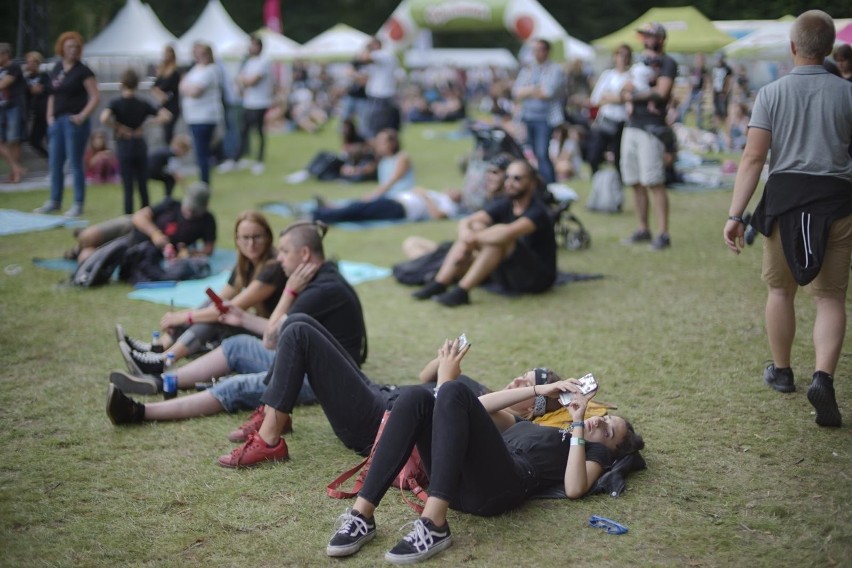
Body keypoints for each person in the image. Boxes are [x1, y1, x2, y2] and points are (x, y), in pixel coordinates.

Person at [324, 339, 644, 564]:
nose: (599, 424)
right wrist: (539, 389)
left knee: (452, 389)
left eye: (609, 431)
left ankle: (434, 525)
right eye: (602, 419)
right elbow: (475, 405)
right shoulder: (541, 429)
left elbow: (575, 489)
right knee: (417, 398)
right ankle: (361, 515)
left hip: (499, 487)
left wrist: (577, 425)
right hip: (460, 478)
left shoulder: (593, 454)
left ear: (611, 451)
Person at [723, 10, 852, 428]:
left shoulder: (771, 94)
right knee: (830, 296)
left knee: (780, 291)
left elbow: (754, 158)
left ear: (793, 47)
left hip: (785, 203)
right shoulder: (848, 94)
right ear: (830, 49)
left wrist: (735, 214)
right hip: (838, 202)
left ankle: (781, 372)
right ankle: (823, 377)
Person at [108, 222, 368, 423]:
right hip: (309, 364)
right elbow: (279, 335)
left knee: (235, 386)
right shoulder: (322, 277)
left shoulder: (320, 290)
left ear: (304, 254)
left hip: (325, 380)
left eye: (285, 252)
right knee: (236, 345)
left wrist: (288, 292)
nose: (280, 258)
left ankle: (138, 412)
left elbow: (270, 338)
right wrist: (240, 317)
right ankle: (158, 380)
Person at [212, 315, 489, 468]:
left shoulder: (496, 414)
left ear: (529, 408)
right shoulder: (485, 391)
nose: (516, 383)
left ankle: (268, 441)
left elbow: (444, 425)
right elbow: (423, 378)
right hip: (382, 393)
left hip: (380, 423)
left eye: (525, 385)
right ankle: (274, 411)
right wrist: (445, 360)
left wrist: (445, 382)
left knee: (298, 334)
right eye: (521, 379)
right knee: (298, 320)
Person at [119, 210, 285, 367]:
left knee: (216, 316)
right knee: (210, 305)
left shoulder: (273, 267)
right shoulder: (246, 263)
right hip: (261, 329)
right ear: (237, 240)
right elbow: (221, 299)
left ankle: (163, 360)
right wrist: (186, 316)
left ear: (268, 237)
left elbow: (233, 308)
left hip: (272, 336)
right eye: (245, 238)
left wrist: (185, 317)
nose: (251, 243)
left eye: (257, 237)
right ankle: (157, 348)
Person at [411, 159, 556, 307]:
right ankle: (440, 282)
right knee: (477, 225)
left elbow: (507, 233)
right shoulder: (506, 202)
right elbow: (467, 221)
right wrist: (466, 235)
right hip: (508, 273)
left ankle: (462, 291)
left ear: (531, 182)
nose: (510, 182)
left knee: (499, 240)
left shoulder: (538, 211)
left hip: (537, 278)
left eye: (517, 178)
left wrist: (472, 238)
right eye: (507, 177)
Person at [619, 22, 677, 251]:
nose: (645, 40)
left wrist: (632, 95)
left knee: (654, 181)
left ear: (660, 38)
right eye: (643, 36)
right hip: (632, 127)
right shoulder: (640, 62)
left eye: (649, 36)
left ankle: (663, 234)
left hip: (651, 128)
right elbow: (624, 89)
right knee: (634, 181)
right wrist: (630, 93)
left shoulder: (668, 63)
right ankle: (643, 229)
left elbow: (662, 92)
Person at [34, 31, 100, 218]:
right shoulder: (57, 68)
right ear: (62, 48)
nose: (73, 50)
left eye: (76, 47)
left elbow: (95, 96)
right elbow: (52, 94)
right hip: (57, 121)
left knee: (75, 163)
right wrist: (49, 117)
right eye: (69, 46)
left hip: (74, 122)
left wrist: (82, 116)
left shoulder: (83, 71)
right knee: (55, 162)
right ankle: (55, 201)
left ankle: (78, 203)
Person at [68, 181, 215, 264]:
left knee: (87, 260)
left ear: (204, 207)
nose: (190, 212)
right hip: (131, 227)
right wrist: (155, 234)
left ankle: (78, 250)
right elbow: (139, 217)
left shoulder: (207, 221)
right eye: (189, 207)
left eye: (195, 210)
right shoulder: (171, 204)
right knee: (88, 236)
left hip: (139, 248)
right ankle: (81, 242)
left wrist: (190, 252)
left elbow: (209, 249)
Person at [400, 153, 511, 260]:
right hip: (458, 249)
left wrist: (425, 197)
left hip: (469, 255)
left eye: (495, 173)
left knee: (476, 227)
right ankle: (429, 269)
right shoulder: (488, 200)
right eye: (488, 172)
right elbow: (466, 222)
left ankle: (432, 271)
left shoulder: (506, 204)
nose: (489, 177)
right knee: (412, 243)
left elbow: (439, 216)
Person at [99, 68, 172, 214]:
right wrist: (146, 124)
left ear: (122, 83)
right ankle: (146, 215)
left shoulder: (116, 102)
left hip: (125, 144)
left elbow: (104, 118)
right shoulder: (142, 103)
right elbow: (166, 115)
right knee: (143, 185)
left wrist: (118, 127)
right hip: (139, 144)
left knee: (128, 186)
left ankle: (128, 218)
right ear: (137, 84)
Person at [512, 39, 565, 185]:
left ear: (547, 51)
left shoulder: (555, 69)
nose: (537, 53)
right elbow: (516, 92)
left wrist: (527, 90)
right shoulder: (528, 69)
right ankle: (542, 184)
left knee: (542, 154)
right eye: (534, 50)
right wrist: (535, 89)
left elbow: (548, 92)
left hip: (545, 119)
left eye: (540, 49)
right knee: (534, 154)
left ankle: (551, 185)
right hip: (527, 116)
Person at [180, 42, 222, 186]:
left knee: (202, 153)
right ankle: (203, 182)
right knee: (200, 153)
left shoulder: (211, 70)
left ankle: (204, 184)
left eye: (203, 53)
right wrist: (188, 87)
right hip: (194, 117)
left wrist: (188, 87)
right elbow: (183, 85)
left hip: (204, 117)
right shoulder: (196, 69)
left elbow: (195, 91)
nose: (199, 56)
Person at [586, 44, 632, 175]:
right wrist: (618, 97)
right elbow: (595, 99)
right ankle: (598, 179)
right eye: (619, 54)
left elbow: (628, 98)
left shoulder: (631, 76)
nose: (622, 58)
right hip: (605, 120)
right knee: (594, 155)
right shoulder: (608, 75)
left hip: (622, 122)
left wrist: (609, 96)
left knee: (619, 158)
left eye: (625, 55)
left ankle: (618, 182)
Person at [236, 35, 274, 176]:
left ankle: (259, 160)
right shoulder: (249, 62)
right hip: (248, 102)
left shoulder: (264, 62)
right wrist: (244, 80)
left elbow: (251, 81)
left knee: (259, 132)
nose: (250, 48)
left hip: (260, 103)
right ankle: (238, 158)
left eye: (253, 45)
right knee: (243, 131)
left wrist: (244, 80)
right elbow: (240, 78)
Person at [356, 37, 401, 140]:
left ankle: (376, 148)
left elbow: (362, 58)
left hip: (379, 96)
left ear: (376, 45)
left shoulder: (381, 54)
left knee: (372, 128)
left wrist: (366, 47)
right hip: (387, 95)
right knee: (389, 127)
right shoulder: (386, 57)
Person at [0, 43, 27, 183]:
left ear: (5, 55)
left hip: (14, 107)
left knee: (13, 140)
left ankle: (15, 173)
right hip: (2, 108)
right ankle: (17, 168)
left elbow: (3, 84)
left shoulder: (14, 67)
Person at [151, 44, 181, 145]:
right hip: (163, 106)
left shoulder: (175, 72)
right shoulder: (162, 71)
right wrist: (159, 94)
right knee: (164, 133)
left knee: (169, 132)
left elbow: (171, 89)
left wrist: (162, 94)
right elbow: (154, 87)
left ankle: (172, 154)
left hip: (172, 106)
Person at [23, 51, 50, 159]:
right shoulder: (25, 79)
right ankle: (49, 158)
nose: (31, 64)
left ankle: (58, 163)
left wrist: (39, 90)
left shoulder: (45, 76)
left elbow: (49, 89)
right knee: (34, 141)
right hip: (35, 114)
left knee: (51, 139)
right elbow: (24, 93)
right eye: (29, 62)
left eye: (34, 62)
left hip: (46, 112)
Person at [147, 134, 191, 199]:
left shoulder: (167, 150)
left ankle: (167, 197)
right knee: (171, 179)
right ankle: (168, 198)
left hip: (147, 170)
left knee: (169, 178)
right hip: (151, 171)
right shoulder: (172, 155)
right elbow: (176, 174)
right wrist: (186, 189)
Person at [677, 53, 707, 130]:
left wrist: (702, 92)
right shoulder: (694, 70)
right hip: (692, 92)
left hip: (699, 92)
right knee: (684, 107)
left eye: (700, 59)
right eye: (697, 59)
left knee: (698, 110)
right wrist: (688, 92)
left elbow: (705, 82)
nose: (698, 61)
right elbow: (691, 82)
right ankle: (680, 123)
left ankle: (699, 126)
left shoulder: (704, 71)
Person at [711, 53, 733, 133]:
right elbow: (713, 80)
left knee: (724, 113)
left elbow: (729, 81)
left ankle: (727, 131)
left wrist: (725, 93)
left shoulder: (727, 69)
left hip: (723, 93)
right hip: (716, 92)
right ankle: (716, 129)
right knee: (717, 112)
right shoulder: (715, 67)